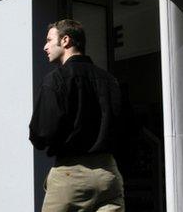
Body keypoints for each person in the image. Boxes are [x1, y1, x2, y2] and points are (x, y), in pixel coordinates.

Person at [29, 19, 129, 211]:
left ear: (65, 40)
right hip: (109, 173)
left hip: (70, 175)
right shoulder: (110, 81)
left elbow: (42, 133)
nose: (45, 46)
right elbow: (128, 129)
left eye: (49, 40)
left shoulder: (56, 80)